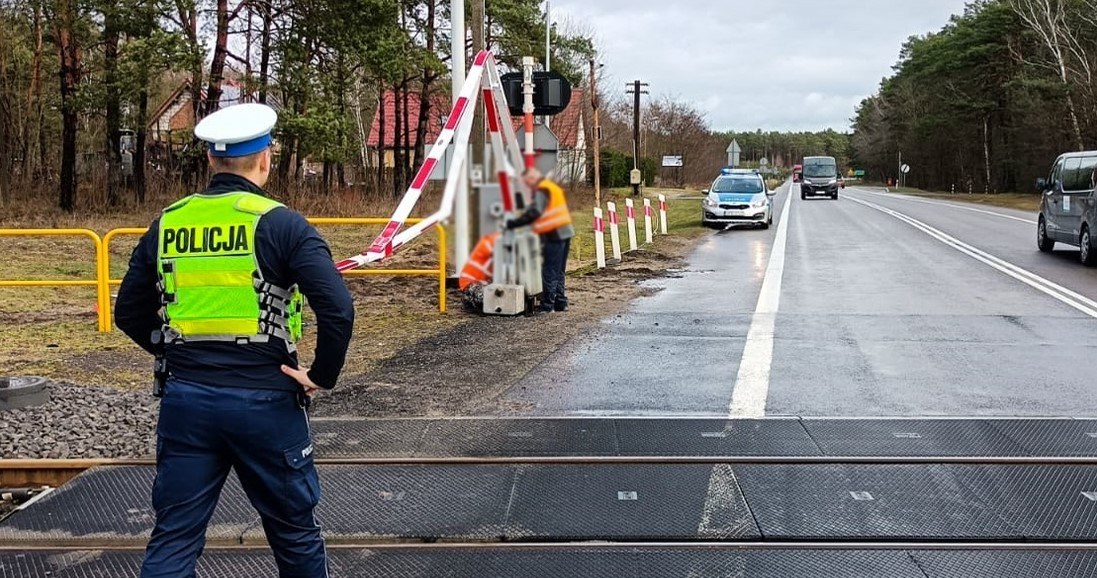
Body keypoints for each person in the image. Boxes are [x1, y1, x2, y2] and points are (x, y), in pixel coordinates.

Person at [115, 103, 355, 578]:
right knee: (294, 533)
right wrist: (319, 376)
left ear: (210, 160)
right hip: (266, 401)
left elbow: (128, 311)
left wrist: (175, 352)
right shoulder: (283, 224)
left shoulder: (169, 222)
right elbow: (338, 310)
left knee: (175, 536)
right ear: (265, 158)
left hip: (186, 401)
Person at [505, 168, 575, 313]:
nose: (528, 186)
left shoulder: (542, 190)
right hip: (565, 230)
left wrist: (514, 223)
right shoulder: (552, 187)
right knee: (559, 270)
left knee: (549, 270)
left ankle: (547, 306)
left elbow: (535, 212)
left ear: (531, 178)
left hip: (553, 233)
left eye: (527, 182)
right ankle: (560, 302)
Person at [459, 231, 500, 312]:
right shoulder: (491, 243)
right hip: (470, 286)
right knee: (494, 298)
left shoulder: (495, 240)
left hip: (480, 284)